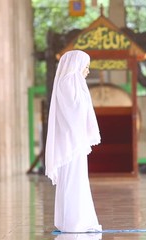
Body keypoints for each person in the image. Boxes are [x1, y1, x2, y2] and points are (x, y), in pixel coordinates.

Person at [45, 50, 102, 233]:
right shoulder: (69, 81)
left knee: (75, 180)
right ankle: (73, 222)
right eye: (85, 66)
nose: (87, 71)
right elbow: (74, 110)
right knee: (72, 180)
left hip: (73, 140)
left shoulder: (70, 82)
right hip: (72, 141)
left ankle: (74, 221)